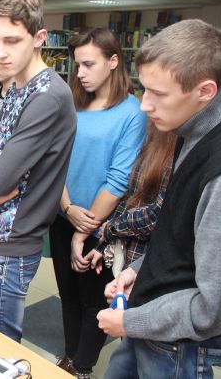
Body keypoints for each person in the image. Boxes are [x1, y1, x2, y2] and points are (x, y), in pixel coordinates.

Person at [97, 19, 221, 379]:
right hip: (152, 318)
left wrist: (130, 322)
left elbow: (213, 310)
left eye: (159, 94)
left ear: (205, 91)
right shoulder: (189, 129)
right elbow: (180, 236)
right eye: (144, 90)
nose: (144, 105)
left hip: (178, 345)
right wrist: (138, 271)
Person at [0, 0, 76, 343]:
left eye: (12, 41)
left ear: (39, 38)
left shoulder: (48, 96)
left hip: (9, 244)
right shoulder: (18, 85)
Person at [49, 27, 146, 378]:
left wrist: (82, 230)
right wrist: (68, 209)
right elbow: (56, 158)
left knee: (94, 301)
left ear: (114, 61)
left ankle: (81, 366)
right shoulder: (74, 104)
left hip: (100, 226)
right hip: (64, 215)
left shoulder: (133, 112)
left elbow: (118, 180)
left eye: (89, 64)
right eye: (78, 65)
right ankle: (69, 356)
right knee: (68, 294)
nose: (80, 73)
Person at [85, 125, 176, 275]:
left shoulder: (181, 152)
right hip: (130, 258)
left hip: (155, 263)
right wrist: (102, 245)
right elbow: (130, 198)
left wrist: (112, 228)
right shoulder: (153, 141)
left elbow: (157, 215)